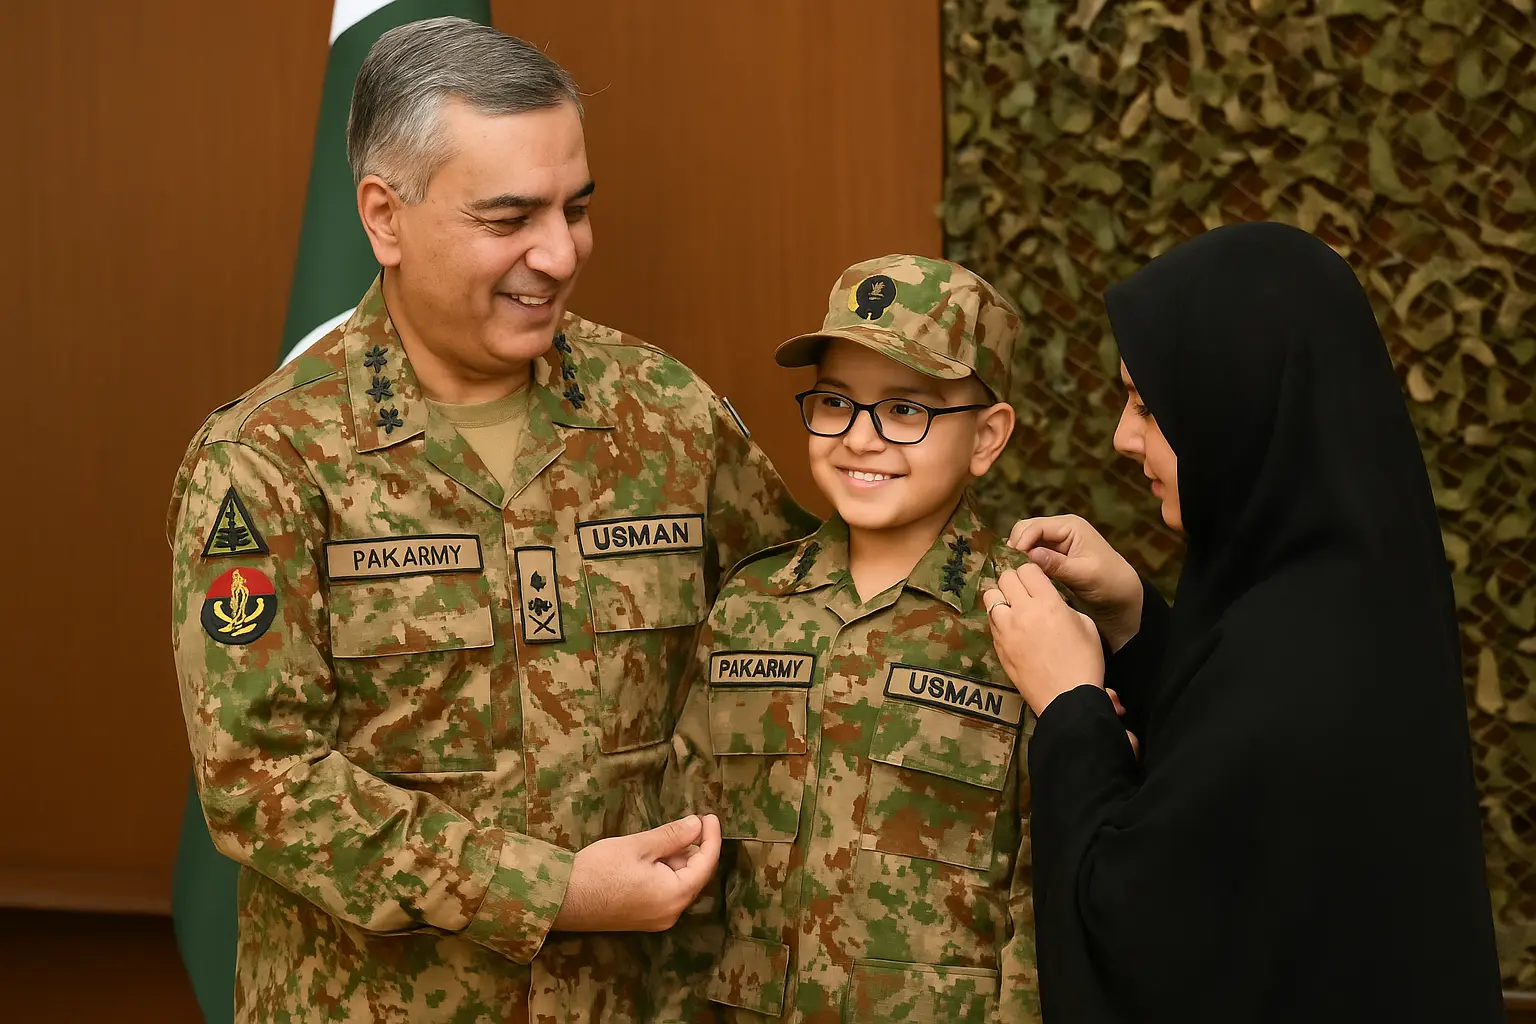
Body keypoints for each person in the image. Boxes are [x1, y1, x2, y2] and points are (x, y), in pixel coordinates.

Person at [167, 18, 816, 1023]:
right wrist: (551, 890)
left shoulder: (666, 414)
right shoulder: (268, 462)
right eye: (510, 218)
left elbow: (808, 616)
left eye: (577, 209)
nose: (558, 254)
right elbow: (264, 782)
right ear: (384, 216)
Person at [982, 221, 1504, 1022]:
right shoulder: (1343, 590)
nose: (1124, 437)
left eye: (1148, 406)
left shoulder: (1300, 666)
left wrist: (1069, 707)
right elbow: (1235, 799)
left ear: (1237, 408)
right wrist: (1132, 618)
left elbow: (1145, 939)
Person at [653, 255, 1045, 1022]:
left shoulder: (1024, 618)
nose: (860, 438)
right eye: (836, 401)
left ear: (987, 437)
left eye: (906, 411)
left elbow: (1041, 900)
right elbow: (688, 869)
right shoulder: (751, 606)